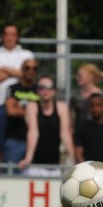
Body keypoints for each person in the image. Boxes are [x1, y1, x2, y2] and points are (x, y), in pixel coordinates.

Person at [18, 76, 74, 177]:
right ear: (37, 91)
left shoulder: (61, 107)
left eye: (49, 87)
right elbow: (33, 132)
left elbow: (65, 134)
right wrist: (28, 158)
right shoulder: (32, 106)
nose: (45, 90)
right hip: (34, 165)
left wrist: (73, 158)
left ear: (54, 91)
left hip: (54, 166)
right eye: (41, 87)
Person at [0, 23, 34, 159]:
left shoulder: (26, 54)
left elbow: (28, 75)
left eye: (13, 34)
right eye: (7, 34)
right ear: (2, 36)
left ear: (17, 37)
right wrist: (17, 71)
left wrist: (5, 69)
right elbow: (22, 73)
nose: (9, 38)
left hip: (22, 104)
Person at [4, 57, 39, 167]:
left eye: (34, 68)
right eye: (27, 68)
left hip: (37, 142)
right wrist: (32, 112)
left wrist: (20, 108)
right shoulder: (13, 88)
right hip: (15, 140)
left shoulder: (40, 89)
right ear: (22, 70)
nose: (31, 71)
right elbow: (11, 111)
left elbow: (44, 112)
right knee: (11, 178)